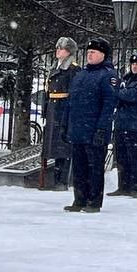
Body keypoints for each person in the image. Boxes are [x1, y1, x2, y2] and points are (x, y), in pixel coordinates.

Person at [64, 38, 118, 213]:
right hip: (79, 128)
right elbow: (71, 101)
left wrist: (102, 128)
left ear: (103, 55)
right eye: (88, 52)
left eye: (93, 52)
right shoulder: (81, 74)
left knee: (94, 168)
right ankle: (79, 199)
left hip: (94, 129)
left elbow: (109, 104)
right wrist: (66, 124)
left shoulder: (107, 75)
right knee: (79, 167)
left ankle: (94, 201)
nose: (90, 55)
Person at [111, 51, 137, 198]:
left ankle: (136, 187)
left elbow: (133, 96)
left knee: (135, 157)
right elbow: (117, 97)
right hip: (121, 122)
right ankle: (123, 185)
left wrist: (120, 92)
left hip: (136, 124)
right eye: (133, 64)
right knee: (121, 156)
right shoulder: (126, 79)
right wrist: (121, 93)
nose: (134, 67)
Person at [44, 37, 80, 190]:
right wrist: (45, 113)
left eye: (62, 48)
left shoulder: (73, 69)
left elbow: (74, 93)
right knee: (54, 146)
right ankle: (55, 179)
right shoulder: (54, 67)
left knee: (63, 146)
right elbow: (48, 92)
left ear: (69, 52)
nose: (58, 50)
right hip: (53, 109)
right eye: (57, 47)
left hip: (63, 109)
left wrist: (70, 114)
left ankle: (62, 181)